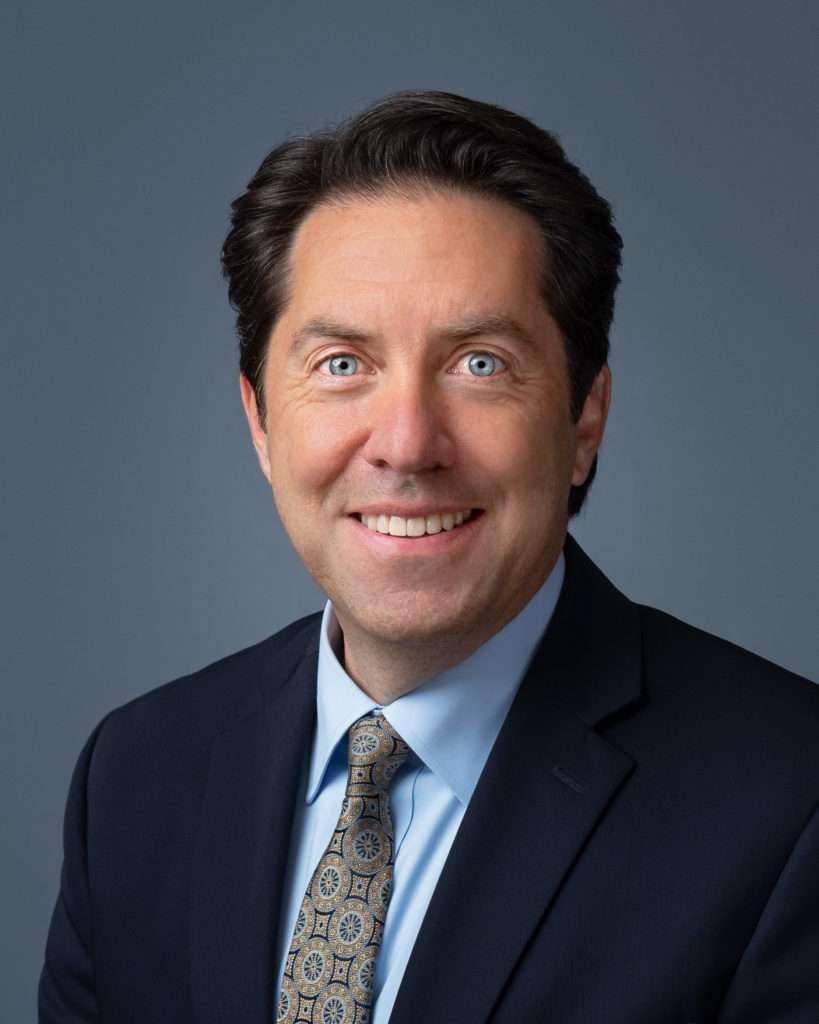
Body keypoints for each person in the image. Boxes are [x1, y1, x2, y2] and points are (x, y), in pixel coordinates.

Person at [39, 90, 819, 1024]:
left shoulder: (787, 800)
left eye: (479, 362)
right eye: (341, 365)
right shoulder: (137, 775)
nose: (406, 445)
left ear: (583, 419)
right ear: (258, 421)